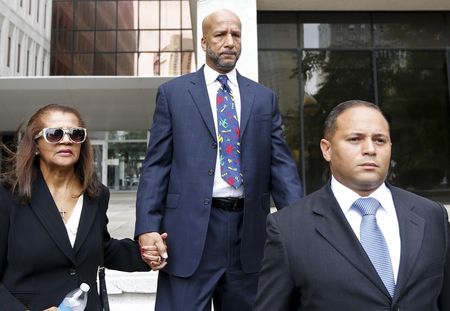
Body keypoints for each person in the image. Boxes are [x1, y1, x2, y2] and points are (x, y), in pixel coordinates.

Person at [135, 8, 303, 311]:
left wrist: (300, 225)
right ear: (203, 42)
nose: (230, 42)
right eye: (220, 35)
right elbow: (156, 165)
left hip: (249, 232)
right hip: (188, 232)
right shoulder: (173, 94)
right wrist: (147, 225)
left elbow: (281, 166)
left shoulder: (264, 98)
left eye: (236, 35)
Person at [254, 100, 450, 310]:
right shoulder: (288, 228)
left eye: (380, 140)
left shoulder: (431, 216)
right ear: (326, 149)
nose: (370, 149)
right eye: (355, 139)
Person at [0, 104, 150, 311]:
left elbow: (100, 248)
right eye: (54, 134)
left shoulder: (96, 195)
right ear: (34, 145)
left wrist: (147, 253)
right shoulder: (7, 194)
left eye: (76, 134)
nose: (66, 139)